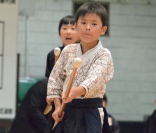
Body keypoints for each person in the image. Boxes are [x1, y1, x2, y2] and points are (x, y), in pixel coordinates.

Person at [45, 2, 114, 133]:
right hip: (65, 110)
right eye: (83, 23)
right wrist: (58, 107)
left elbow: (95, 79)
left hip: (90, 112)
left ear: (103, 30)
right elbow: (55, 78)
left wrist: (73, 92)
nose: (88, 27)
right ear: (76, 26)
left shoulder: (104, 54)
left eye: (94, 24)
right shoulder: (68, 50)